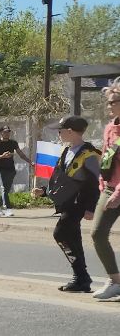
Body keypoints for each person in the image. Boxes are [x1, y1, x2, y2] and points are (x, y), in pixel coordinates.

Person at [48, 115, 104, 294]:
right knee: (73, 238)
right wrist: (43, 190)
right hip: (67, 202)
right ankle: (81, 279)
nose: (58, 133)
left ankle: (81, 276)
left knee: (60, 233)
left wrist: (91, 208)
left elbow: (96, 182)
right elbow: (61, 177)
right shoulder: (66, 151)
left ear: (70, 131)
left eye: (60, 130)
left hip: (79, 203)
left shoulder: (89, 154)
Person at [91, 87, 120, 301]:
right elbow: (106, 156)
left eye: (113, 101)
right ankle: (115, 281)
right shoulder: (110, 128)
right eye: (108, 101)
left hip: (118, 191)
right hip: (109, 188)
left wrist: (118, 194)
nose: (109, 105)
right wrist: (102, 183)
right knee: (98, 233)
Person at [0, 126, 30, 210]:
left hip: (11, 169)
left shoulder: (13, 143)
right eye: (5, 132)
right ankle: (8, 207)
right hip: (0, 168)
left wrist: (30, 162)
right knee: (4, 188)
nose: (7, 133)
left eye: (8, 132)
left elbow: (21, 154)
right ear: (1, 133)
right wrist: (2, 156)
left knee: (6, 189)